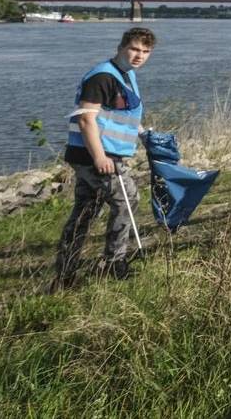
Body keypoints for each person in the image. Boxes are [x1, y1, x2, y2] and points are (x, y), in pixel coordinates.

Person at [54, 27, 155, 289]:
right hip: (96, 156)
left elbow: (123, 112)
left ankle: (65, 273)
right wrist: (100, 157)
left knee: (86, 211)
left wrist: (143, 134)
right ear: (121, 47)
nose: (139, 56)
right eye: (134, 49)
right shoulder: (102, 77)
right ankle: (113, 262)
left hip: (101, 154)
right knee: (127, 200)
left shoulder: (126, 75)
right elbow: (86, 119)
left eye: (145, 51)